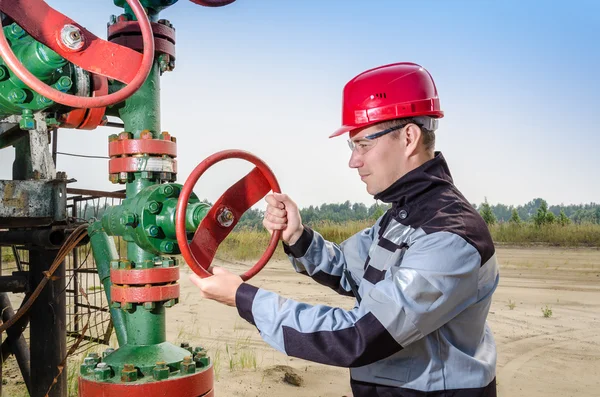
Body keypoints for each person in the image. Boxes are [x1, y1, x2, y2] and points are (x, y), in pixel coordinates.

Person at [190, 62, 499, 396]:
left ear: (409, 137)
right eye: (351, 146)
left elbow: (360, 337)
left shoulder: (448, 237)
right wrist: (298, 236)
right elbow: (351, 272)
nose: (353, 161)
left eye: (363, 144)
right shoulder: (404, 216)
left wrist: (243, 298)